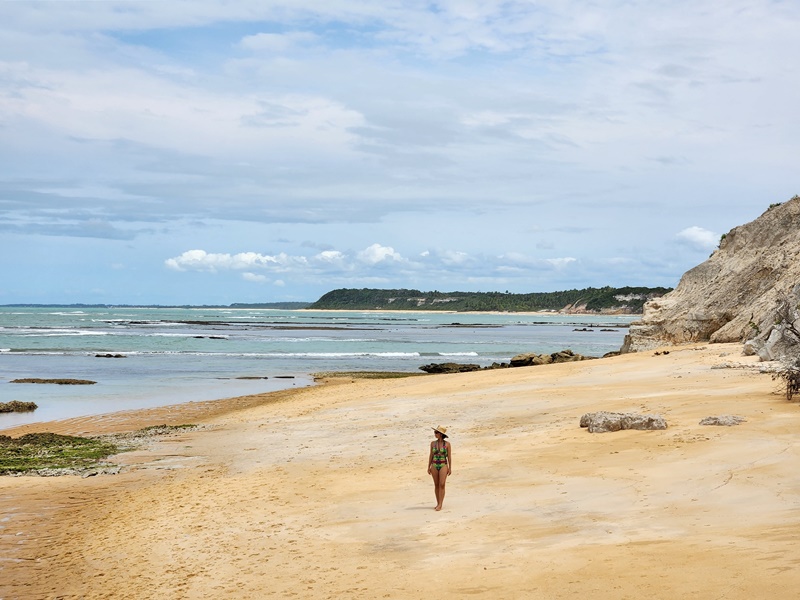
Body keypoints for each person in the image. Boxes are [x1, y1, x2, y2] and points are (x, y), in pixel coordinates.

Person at [427, 425, 452, 511]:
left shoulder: (447, 444)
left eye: (436, 432)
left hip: (443, 464)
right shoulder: (432, 443)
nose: (435, 434)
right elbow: (431, 455)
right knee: (436, 485)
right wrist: (428, 466)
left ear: (441, 434)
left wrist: (450, 467)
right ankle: (438, 502)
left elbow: (449, 456)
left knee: (442, 484)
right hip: (434, 464)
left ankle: (440, 503)